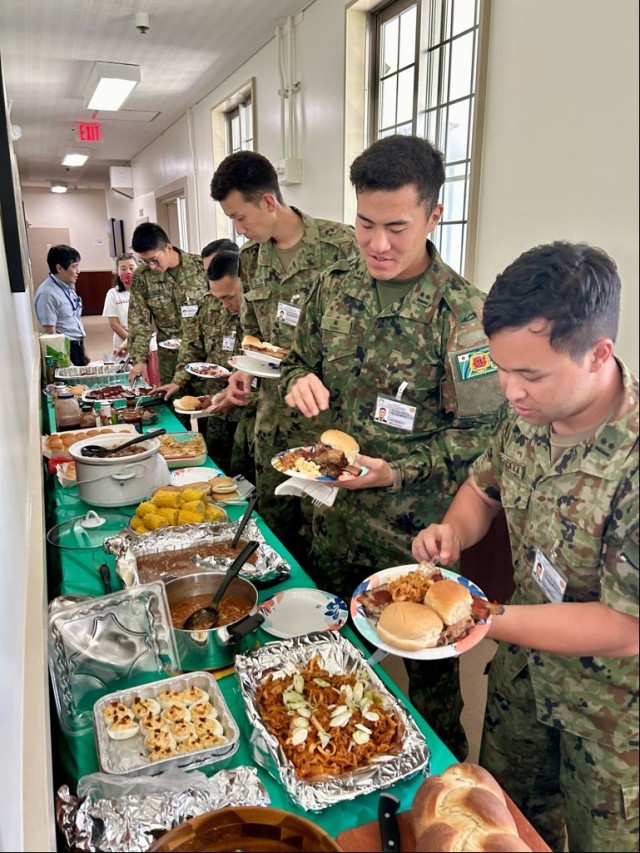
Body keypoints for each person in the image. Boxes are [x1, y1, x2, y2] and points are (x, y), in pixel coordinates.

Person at [280, 134, 504, 759]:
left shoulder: (464, 317)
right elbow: (299, 358)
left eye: (397, 228)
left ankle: (441, 790)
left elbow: (483, 441)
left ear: (434, 216)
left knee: (431, 699)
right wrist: (300, 379)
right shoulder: (332, 287)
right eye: (365, 224)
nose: (378, 244)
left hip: (414, 542)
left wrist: (395, 472)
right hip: (330, 521)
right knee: (329, 674)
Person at [411, 241, 639, 853]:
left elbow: (625, 626)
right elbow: (483, 490)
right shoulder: (530, 413)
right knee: (500, 826)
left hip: (614, 723)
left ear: (598, 354)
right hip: (523, 683)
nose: (511, 391)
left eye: (530, 373)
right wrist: (453, 532)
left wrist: (483, 618)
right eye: (501, 368)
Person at [210, 150, 357, 564]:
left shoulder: (341, 247)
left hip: (326, 424)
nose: (238, 229)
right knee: (275, 538)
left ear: (269, 202)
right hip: (272, 422)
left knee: (325, 540)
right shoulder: (251, 260)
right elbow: (252, 332)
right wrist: (241, 371)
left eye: (240, 216)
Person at [156, 249, 256, 479]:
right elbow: (192, 345)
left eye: (229, 297)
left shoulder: (261, 313)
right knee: (217, 468)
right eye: (218, 297)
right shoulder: (209, 305)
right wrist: (177, 381)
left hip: (249, 408)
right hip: (215, 404)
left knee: (246, 474)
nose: (225, 304)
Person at [127, 223, 209, 385]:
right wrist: (140, 359)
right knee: (172, 403)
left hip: (203, 355)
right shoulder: (142, 276)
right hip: (170, 358)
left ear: (168, 248)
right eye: (145, 261)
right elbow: (138, 321)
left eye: (154, 260)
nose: (151, 266)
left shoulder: (200, 266)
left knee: (205, 404)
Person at [34, 244, 89, 366]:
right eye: (74, 267)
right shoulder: (47, 294)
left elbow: (73, 317)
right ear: (59, 268)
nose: (78, 271)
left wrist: (82, 351)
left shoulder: (67, 286)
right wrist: (64, 361)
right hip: (64, 350)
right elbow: (50, 333)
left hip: (77, 345)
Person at [102, 253, 137, 354]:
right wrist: (131, 341)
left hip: (143, 339)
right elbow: (114, 324)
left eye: (131, 267)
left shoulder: (145, 291)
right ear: (117, 272)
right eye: (123, 268)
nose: (128, 272)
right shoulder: (113, 294)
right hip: (122, 340)